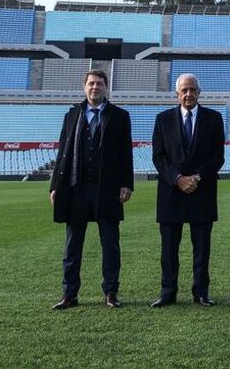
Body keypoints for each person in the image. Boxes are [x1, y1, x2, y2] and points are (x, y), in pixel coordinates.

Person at [49, 69, 133, 309]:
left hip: (107, 189)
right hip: (76, 188)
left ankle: (111, 292)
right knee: (72, 245)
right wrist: (55, 186)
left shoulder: (120, 116)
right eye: (91, 84)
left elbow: (125, 153)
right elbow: (62, 152)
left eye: (99, 84)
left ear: (106, 87)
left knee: (110, 244)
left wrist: (126, 183)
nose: (95, 87)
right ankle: (69, 294)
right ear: (84, 87)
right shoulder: (72, 115)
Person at [150, 73, 225, 308]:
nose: (188, 94)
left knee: (202, 249)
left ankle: (201, 292)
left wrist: (196, 178)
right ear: (177, 94)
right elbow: (158, 157)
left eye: (192, 90)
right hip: (171, 193)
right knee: (168, 249)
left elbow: (218, 157)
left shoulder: (214, 119)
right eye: (184, 90)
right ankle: (168, 292)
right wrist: (178, 179)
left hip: (202, 191)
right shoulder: (162, 119)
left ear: (199, 92)